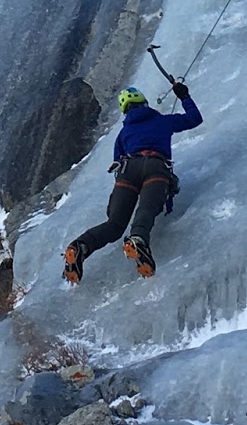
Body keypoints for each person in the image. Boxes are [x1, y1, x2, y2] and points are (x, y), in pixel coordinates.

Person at [62, 83, 203, 283]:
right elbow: (195, 119)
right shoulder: (162, 121)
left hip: (128, 171)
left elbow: (117, 162)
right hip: (155, 167)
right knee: (145, 211)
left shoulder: (123, 134)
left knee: (115, 224)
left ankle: (80, 246)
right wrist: (184, 96)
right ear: (144, 103)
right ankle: (138, 240)